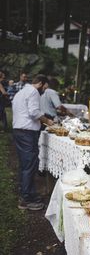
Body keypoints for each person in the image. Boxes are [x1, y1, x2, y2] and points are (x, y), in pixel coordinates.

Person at [12, 74, 54, 211]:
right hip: (26, 133)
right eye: (45, 87)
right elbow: (34, 112)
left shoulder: (21, 92)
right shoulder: (34, 92)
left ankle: (28, 192)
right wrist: (47, 121)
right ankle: (25, 199)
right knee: (29, 164)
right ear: (41, 83)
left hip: (18, 130)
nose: (44, 91)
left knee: (25, 164)